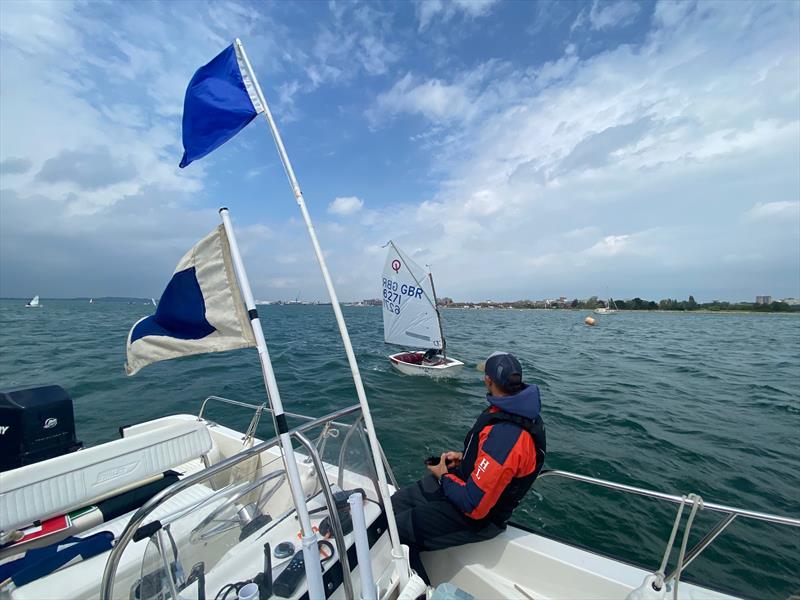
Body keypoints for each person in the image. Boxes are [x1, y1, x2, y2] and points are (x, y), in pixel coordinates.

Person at [391, 351, 546, 584]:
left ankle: (420, 591)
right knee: (395, 504)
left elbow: (475, 506)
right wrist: (464, 459)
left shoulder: (507, 435)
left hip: (477, 517)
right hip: (465, 484)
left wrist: (444, 476)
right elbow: (497, 464)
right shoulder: (513, 410)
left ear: (488, 381)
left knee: (397, 531)